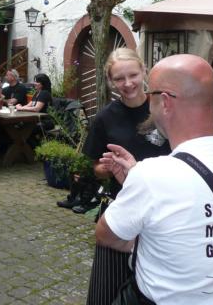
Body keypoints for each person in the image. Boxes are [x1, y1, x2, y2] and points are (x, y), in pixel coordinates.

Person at [96, 54, 213, 304]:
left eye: (151, 95)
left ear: (165, 102)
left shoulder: (153, 174)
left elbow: (106, 235)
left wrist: (139, 182)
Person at [82, 48, 171, 304]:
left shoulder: (163, 109)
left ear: (144, 71)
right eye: (119, 78)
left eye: (133, 75)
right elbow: (94, 167)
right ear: (111, 81)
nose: (128, 83)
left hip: (164, 209)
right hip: (122, 207)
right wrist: (108, 169)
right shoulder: (105, 118)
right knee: (107, 288)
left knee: (158, 288)